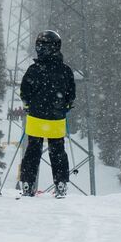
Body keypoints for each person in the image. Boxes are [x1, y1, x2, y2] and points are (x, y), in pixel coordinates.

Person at [18, 29, 76, 197]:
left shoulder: (34, 70)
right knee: (57, 152)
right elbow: (71, 95)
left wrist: (29, 105)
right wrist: (64, 106)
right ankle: (61, 184)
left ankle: (28, 184)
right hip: (56, 119)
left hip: (36, 117)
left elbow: (24, 92)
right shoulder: (65, 71)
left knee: (33, 151)